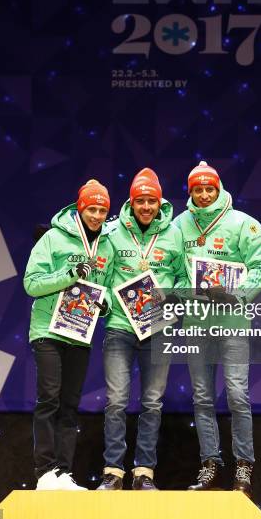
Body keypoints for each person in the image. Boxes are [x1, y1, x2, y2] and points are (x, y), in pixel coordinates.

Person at [173, 161, 261, 497]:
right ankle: (210, 463)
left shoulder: (243, 224)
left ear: (218, 188)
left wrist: (237, 295)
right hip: (196, 322)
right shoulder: (179, 226)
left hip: (232, 322)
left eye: (208, 188)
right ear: (190, 192)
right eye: (197, 189)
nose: (203, 194)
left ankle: (244, 463)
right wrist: (186, 292)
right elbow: (167, 268)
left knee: (236, 394)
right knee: (202, 397)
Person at [97, 168, 188, 491]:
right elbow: (102, 278)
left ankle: (144, 472)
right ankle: (113, 472)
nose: (146, 207)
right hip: (120, 327)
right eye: (140, 201)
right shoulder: (112, 232)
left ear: (159, 201)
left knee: (152, 402)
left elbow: (184, 276)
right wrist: (107, 300)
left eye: (151, 201)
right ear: (131, 202)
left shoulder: (175, 234)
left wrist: (172, 299)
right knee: (117, 400)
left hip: (158, 328)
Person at [24, 179, 114, 490]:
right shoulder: (53, 238)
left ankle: (63, 472)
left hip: (79, 333)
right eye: (92, 208)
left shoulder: (107, 246)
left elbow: (110, 288)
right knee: (49, 397)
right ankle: (45, 471)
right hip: (48, 330)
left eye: (103, 210)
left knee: (70, 403)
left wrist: (105, 303)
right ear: (80, 207)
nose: (97, 215)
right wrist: (69, 275)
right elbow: (32, 284)